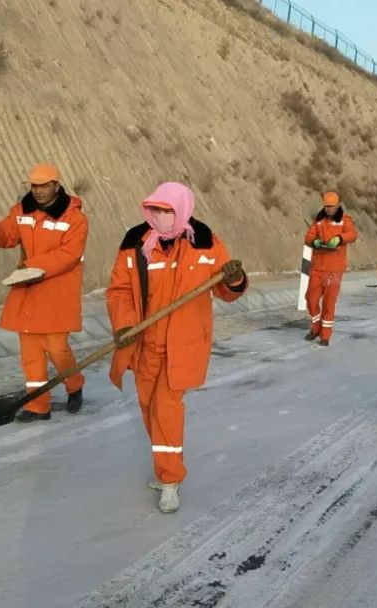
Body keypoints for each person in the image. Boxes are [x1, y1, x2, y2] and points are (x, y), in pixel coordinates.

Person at [106, 182, 247, 514]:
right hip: (144, 343)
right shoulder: (135, 243)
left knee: (167, 409)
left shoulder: (206, 244)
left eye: (167, 211)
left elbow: (227, 289)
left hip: (182, 344)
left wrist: (234, 278)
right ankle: (164, 465)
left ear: (182, 210)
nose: (160, 216)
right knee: (147, 407)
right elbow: (119, 290)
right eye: (156, 210)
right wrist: (125, 325)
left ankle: (170, 479)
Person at [0, 163, 88, 422]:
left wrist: (33, 266)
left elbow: (70, 254)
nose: (39, 191)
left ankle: (74, 384)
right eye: (34, 186)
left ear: (56, 185)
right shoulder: (22, 211)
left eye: (44, 185)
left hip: (57, 291)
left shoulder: (74, 218)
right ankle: (38, 406)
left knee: (57, 349)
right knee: (30, 353)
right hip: (29, 290)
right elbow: (8, 234)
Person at [303, 191, 358, 346]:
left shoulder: (345, 220)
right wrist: (314, 242)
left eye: (331, 207)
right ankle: (315, 327)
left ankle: (325, 335)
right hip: (317, 267)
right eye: (326, 206)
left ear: (337, 206)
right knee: (311, 299)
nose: (328, 209)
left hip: (334, 269)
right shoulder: (319, 221)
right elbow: (308, 237)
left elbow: (352, 235)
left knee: (329, 303)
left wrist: (339, 238)